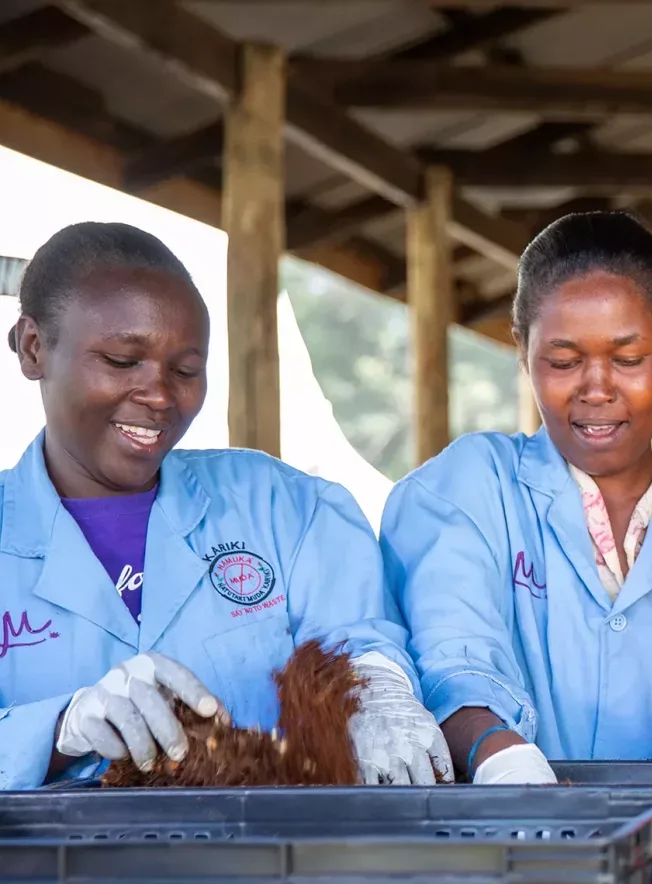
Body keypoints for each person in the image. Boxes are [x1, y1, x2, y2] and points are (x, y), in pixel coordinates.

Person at [0, 222, 448, 789]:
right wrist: (60, 728)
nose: (160, 395)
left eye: (185, 370)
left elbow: (356, 640)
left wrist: (377, 689)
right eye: (121, 360)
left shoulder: (285, 508)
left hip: (272, 845)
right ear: (34, 348)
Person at [381, 211, 652, 785]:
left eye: (628, 359)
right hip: (513, 832)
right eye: (563, 361)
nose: (597, 389)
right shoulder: (467, 489)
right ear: (522, 348)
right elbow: (451, 656)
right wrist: (498, 754)